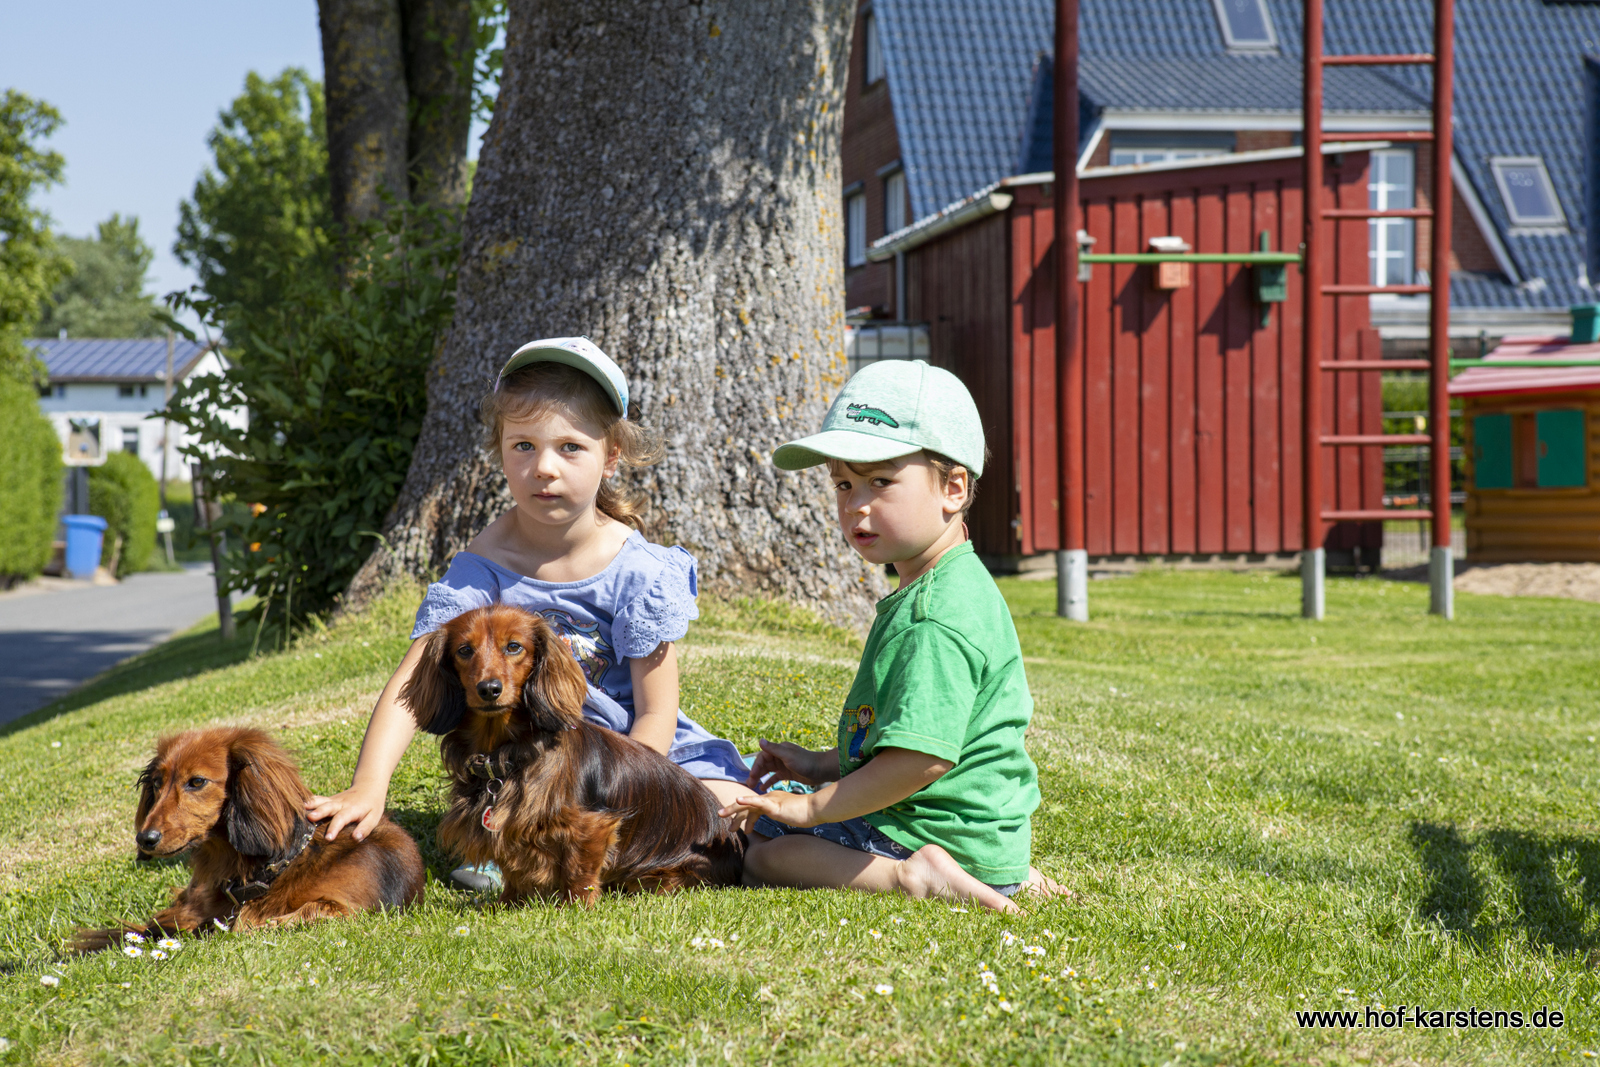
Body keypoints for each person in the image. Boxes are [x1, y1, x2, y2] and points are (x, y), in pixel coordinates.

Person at [306, 337, 750, 890]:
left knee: (731, 816)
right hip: (530, 760)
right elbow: (413, 677)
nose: (544, 467)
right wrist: (369, 785)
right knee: (503, 836)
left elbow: (657, 714)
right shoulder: (484, 566)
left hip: (643, 764)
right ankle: (524, 843)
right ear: (499, 454)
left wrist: (621, 796)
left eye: (570, 447)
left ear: (610, 456)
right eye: (523, 446)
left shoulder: (639, 571)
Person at [720, 358, 1060, 913]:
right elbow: (909, 735)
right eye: (843, 483)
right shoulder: (950, 582)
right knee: (787, 804)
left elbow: (918, 761)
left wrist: (816, 807)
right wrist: (821, 765)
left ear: (952, 487)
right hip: (980, 832)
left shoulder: (933, 619)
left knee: (763, 851)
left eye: (881, 481)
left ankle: (917, 878)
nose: (857, 503)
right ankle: (1004, 873)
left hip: (930, 831)